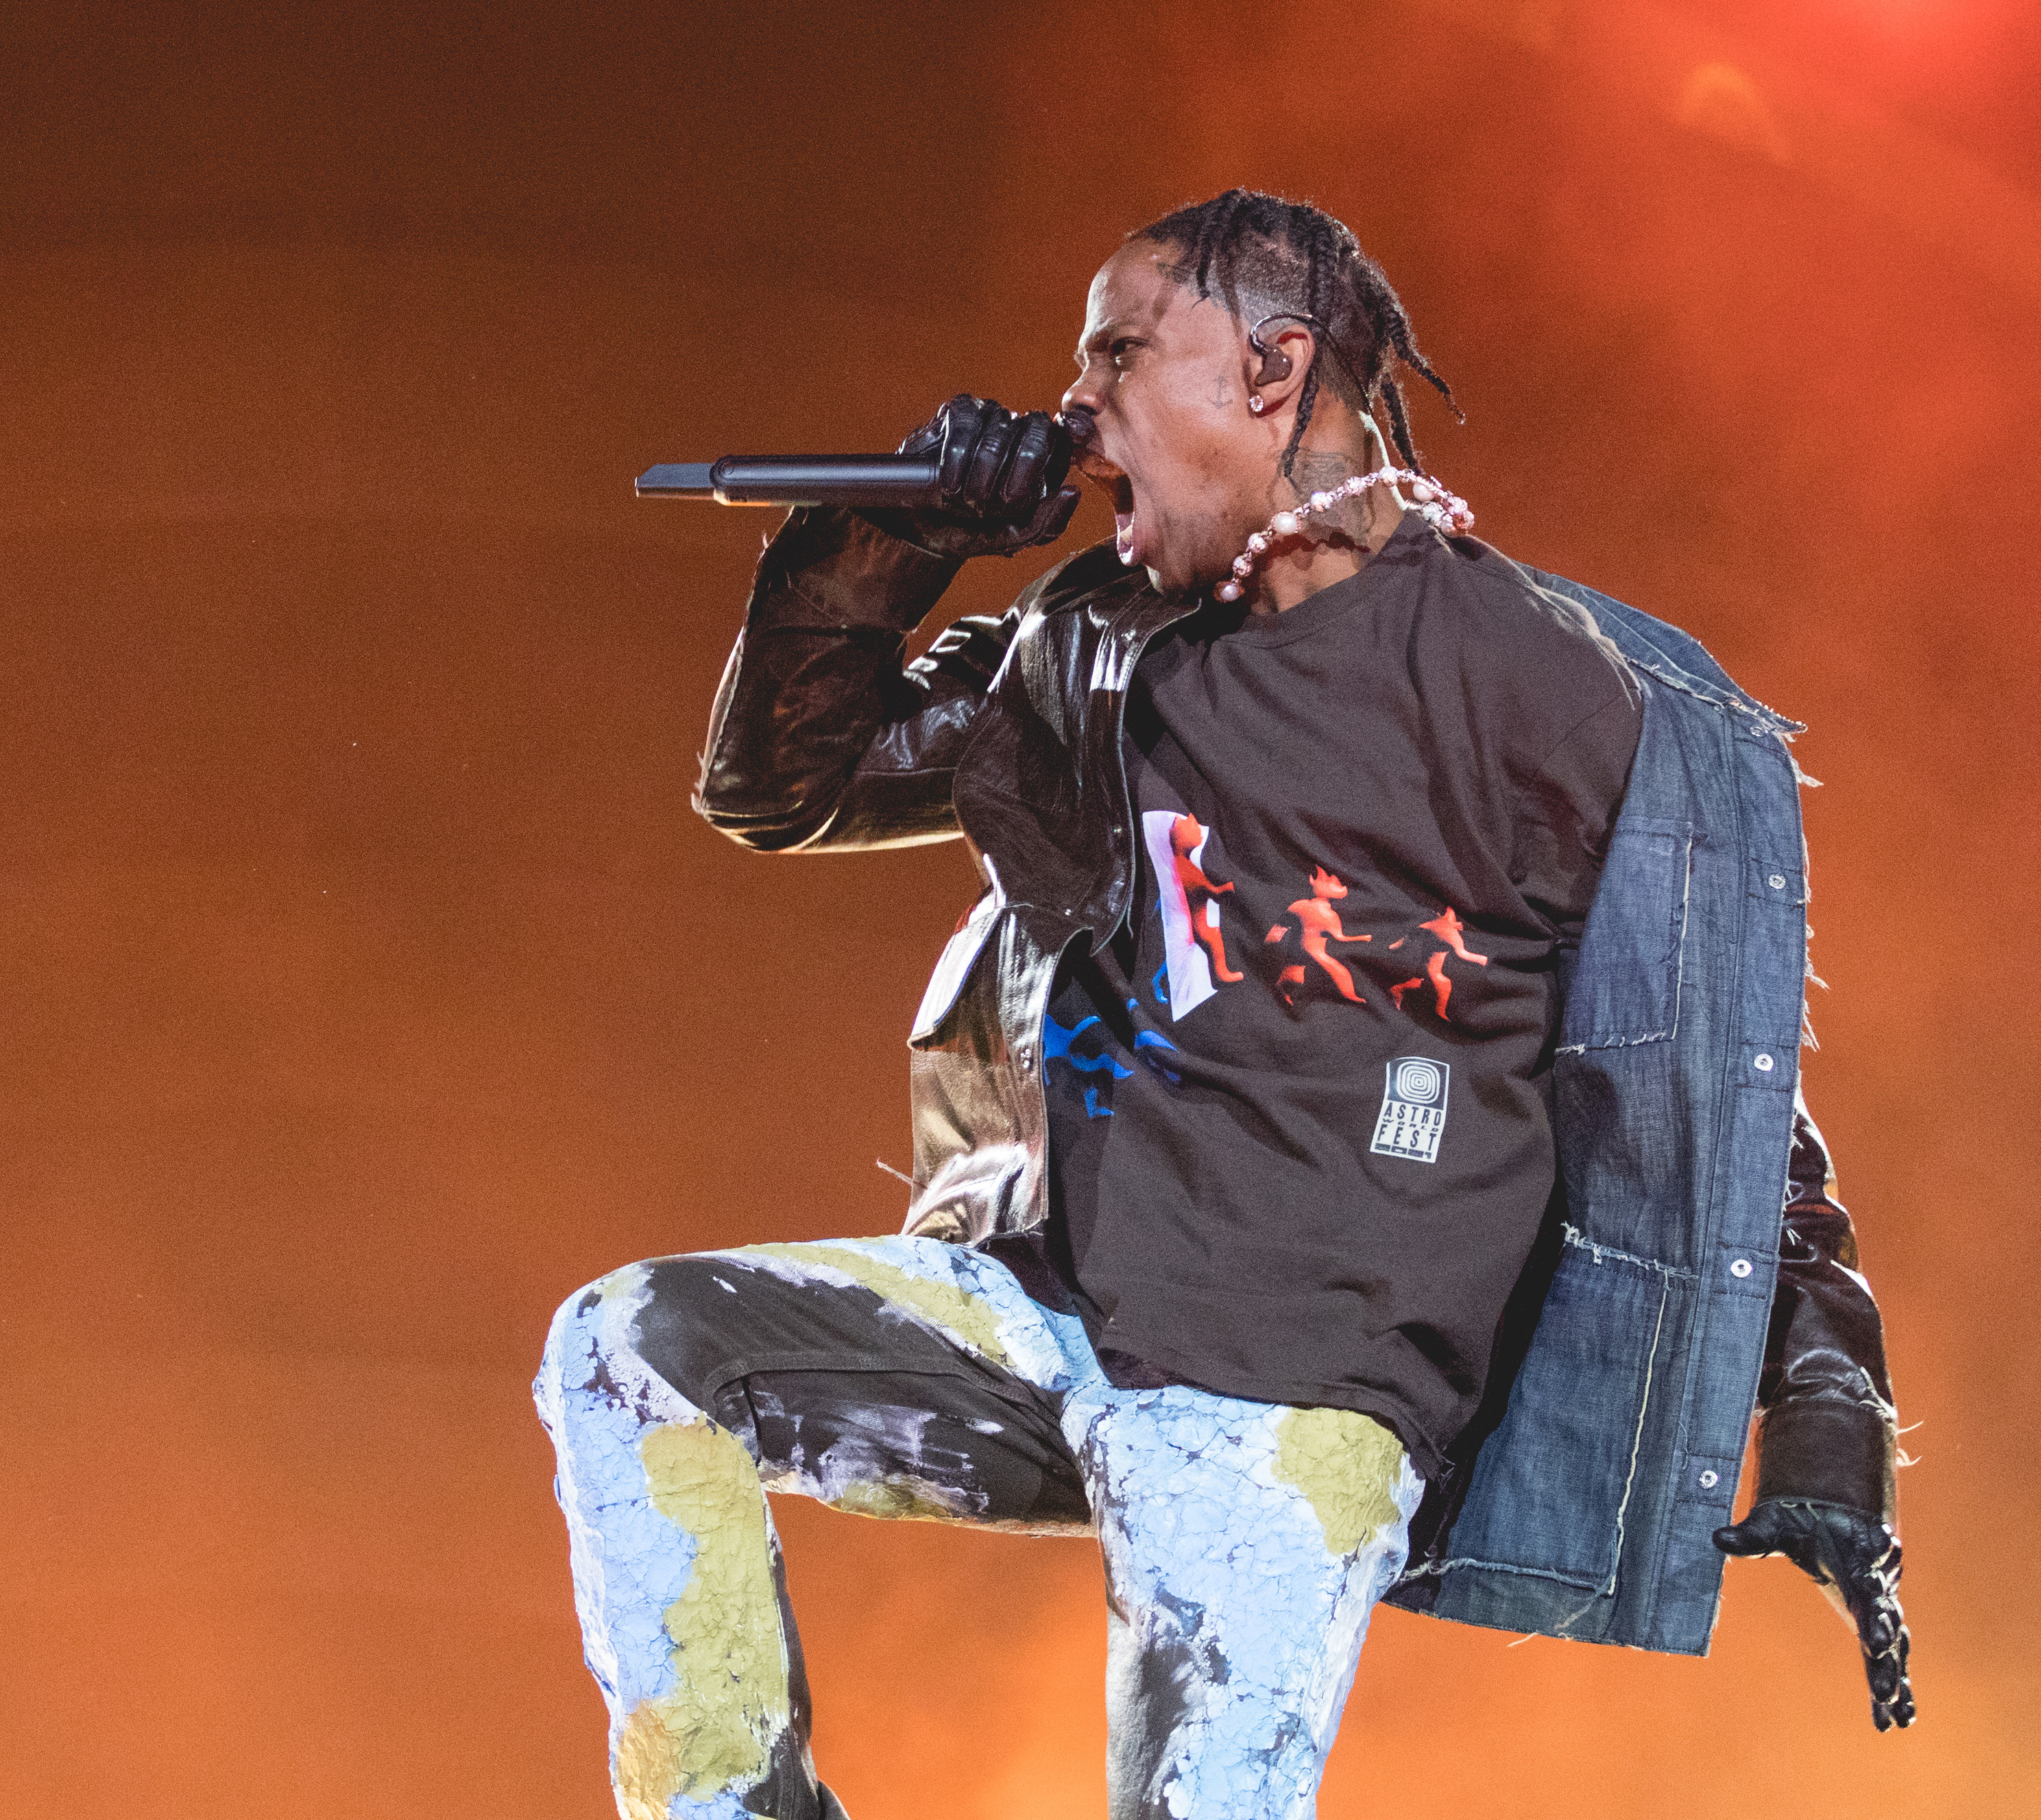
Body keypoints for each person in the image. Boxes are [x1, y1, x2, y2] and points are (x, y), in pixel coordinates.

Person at [533, 190, 1910, 1820]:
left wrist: (1832, 1424)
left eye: (1118, 356)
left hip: (1294, 1393)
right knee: (631, 1350)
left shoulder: (1545, 688)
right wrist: (889, 538)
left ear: (1275, 369)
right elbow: (783, 786)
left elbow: (1719, 1109)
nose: (1078, 409)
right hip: (1049, 1317)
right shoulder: (1091, 643)